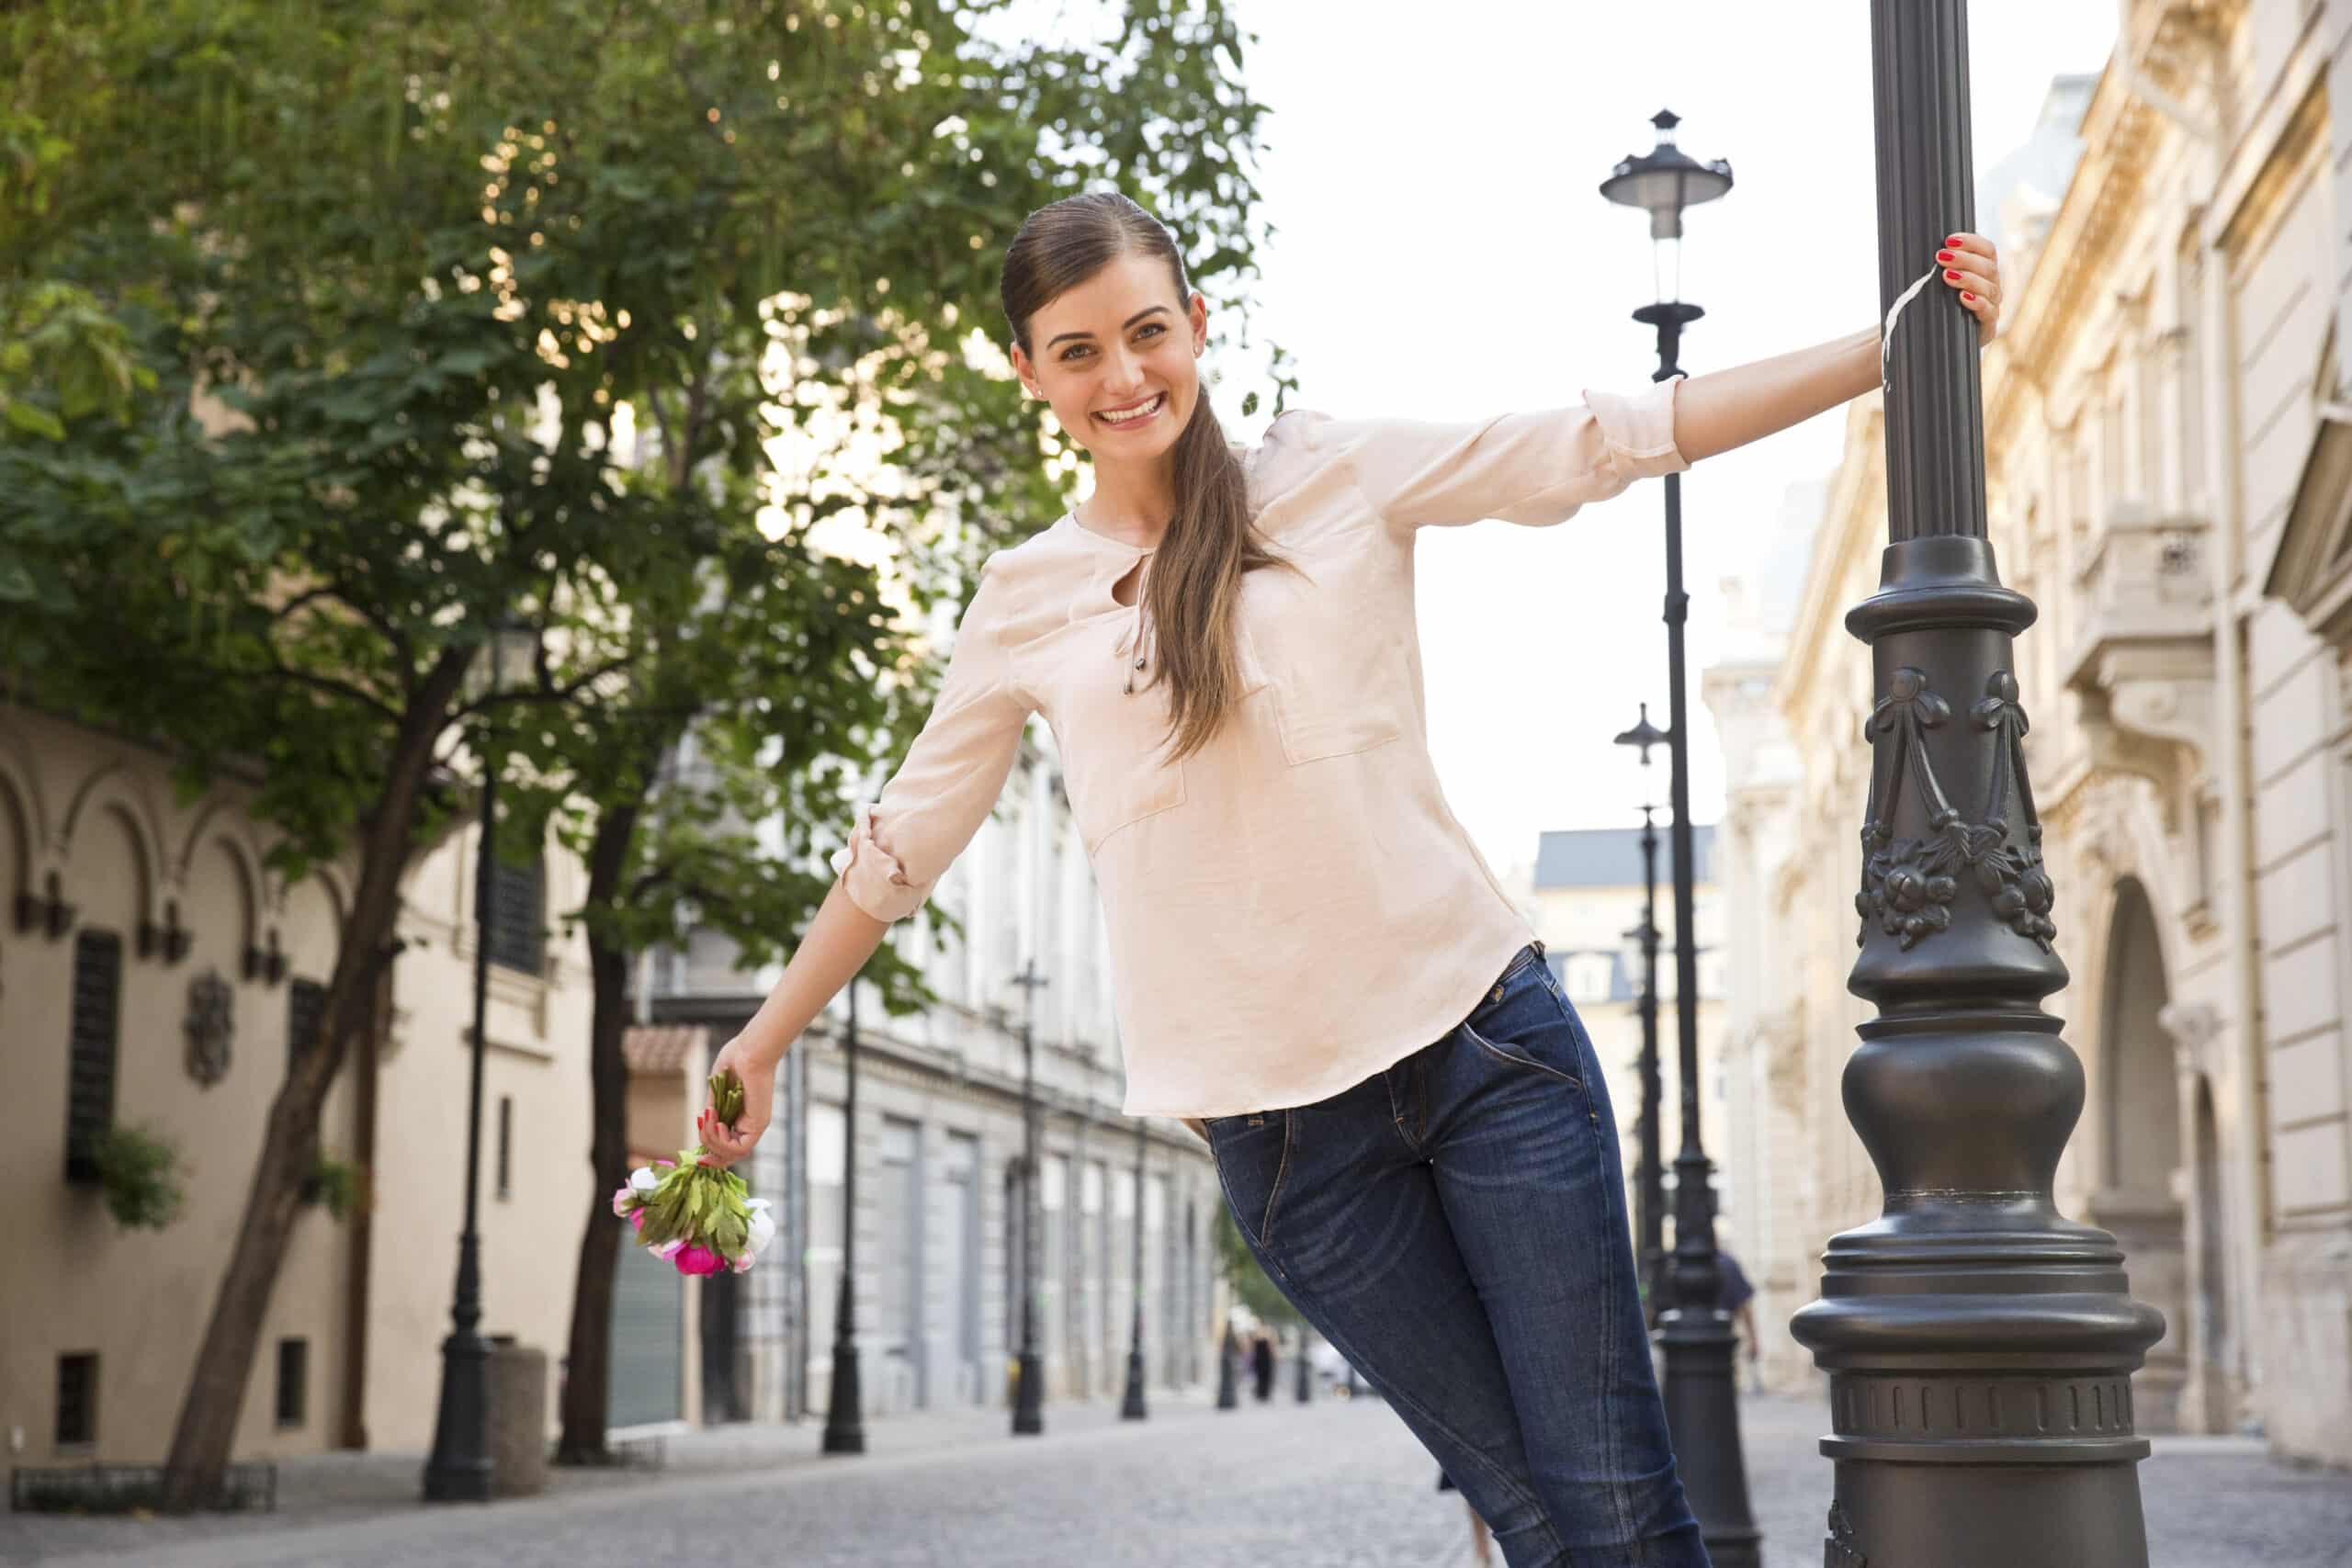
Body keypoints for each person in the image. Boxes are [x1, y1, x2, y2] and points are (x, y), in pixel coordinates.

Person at [698, 191, 2003, 1566]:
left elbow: (1605, 439)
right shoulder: (1024, 599)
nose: (1123, 375)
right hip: (1291, 1149)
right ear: (1029, 371)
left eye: (1148, 332)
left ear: (1197, 326)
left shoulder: (1328, 473)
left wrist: (1886, 348)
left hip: (1486, 1048)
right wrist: (766, 1040)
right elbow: (900, 843)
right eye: (1077, 351)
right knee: (1532, 1521)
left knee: (1616, 1510)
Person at [1250, 1329, 1276, 1404]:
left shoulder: (1256, 1336)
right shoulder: (1268, 1336)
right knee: (1264, 1378)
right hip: (1263, 1360)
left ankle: (1261, 1394)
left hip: (1260, 1360)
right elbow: (1271, 1348)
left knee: (1261, 1378)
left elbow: (1252, 1348)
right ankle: (1263, 1394)